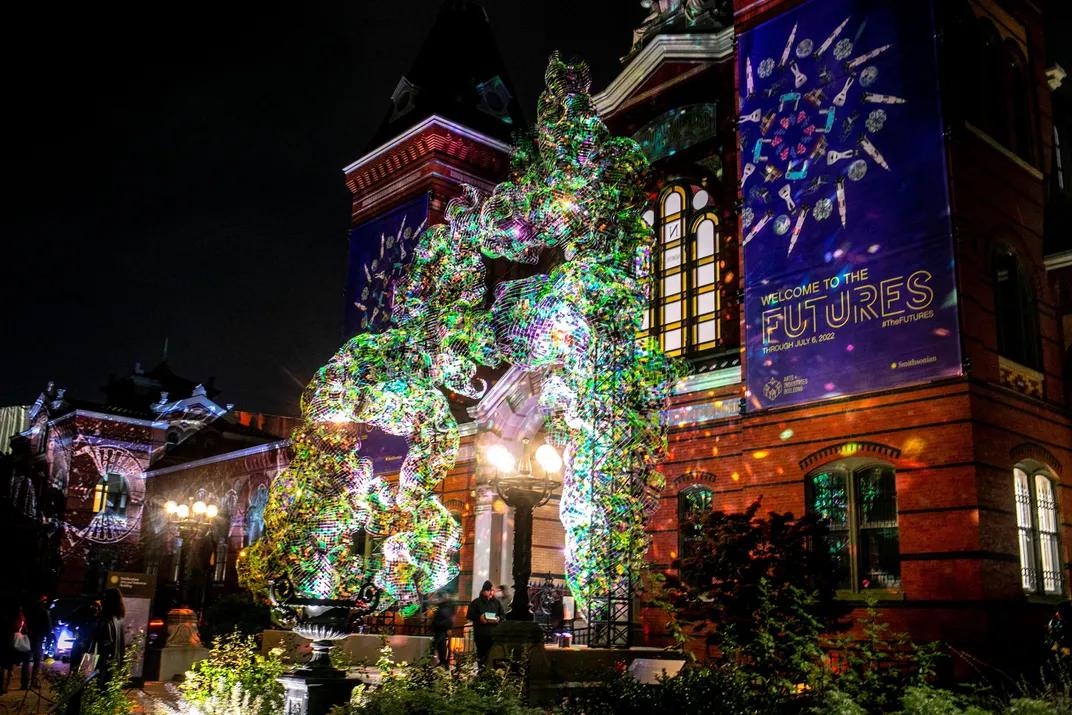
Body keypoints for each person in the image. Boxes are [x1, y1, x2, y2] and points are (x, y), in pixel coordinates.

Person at [466, 581, 504, 669]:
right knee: (482, 654)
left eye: (492, 591)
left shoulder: (497, 603)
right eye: (488, 591)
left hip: (493, 633)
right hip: (480, 633)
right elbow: (469, 615)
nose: (491, 593)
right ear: (483, 592)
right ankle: (482, 671)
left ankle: (489, 671)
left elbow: (502, 614)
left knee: (492, 654)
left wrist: (499, 618)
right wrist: (479, 618)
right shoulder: (476, 603)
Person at [92, 588, 126, 684]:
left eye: (104, 598)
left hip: (104, 663)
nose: (102, 600)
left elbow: (105, 643)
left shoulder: (106, 619)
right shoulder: (118, 618)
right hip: (114, 663)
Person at [19, 594, 50, 690]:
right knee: (37, 660)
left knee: (26, 660)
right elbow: (48, 627)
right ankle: (34, 682)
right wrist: (48, 638)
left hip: (28, 638)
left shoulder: (27, 611)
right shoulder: (44, 612)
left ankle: (24, 684)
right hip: (38, 639)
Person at [429, 596, 456, 668]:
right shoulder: (445, 608)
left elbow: (441, 620)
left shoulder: (443, 609)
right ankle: (443, 663)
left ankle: (442, 662)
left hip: (440, 629)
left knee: (437, 645)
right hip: (441, 629)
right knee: (441, 646)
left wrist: (436, 626)